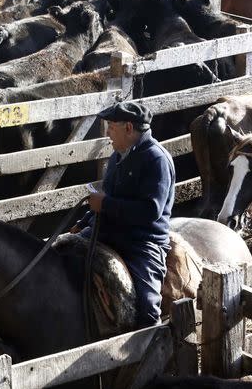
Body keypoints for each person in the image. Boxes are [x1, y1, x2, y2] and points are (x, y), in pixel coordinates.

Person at [70, 101, 175, 327]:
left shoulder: (156, 159)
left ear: (128, 128)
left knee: (147, 309)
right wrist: (85, 220)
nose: (107, 132)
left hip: (141, 243)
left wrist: (105, 205)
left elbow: (150, 211)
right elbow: (109, 193)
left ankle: (153, 345)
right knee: (62, 257)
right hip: (107, 231)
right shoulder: (119, 155)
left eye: (111, 126)